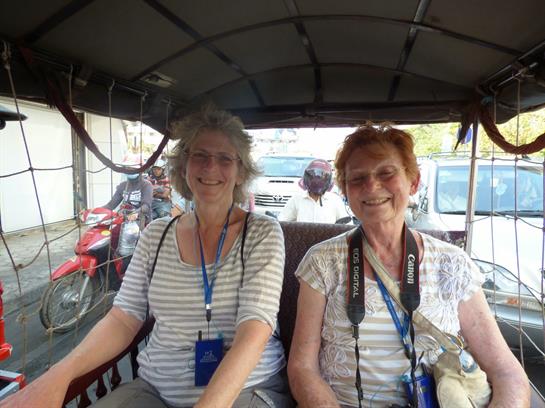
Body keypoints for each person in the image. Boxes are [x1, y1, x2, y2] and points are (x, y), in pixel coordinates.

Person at [3, 106, 291, 408]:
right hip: (156, 388)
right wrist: (58, 377)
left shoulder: (261, 231)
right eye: (199, 156)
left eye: (224, 159)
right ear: (183, 167)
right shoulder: (156, 235)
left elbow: (254, 330)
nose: (210, 168)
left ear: (241, 171)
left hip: (244, 388)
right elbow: (123, 318)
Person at [287, 123, 530, 407]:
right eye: (357, 178)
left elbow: (507, 373)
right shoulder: (321, 262)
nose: (372, 186)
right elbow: (302, 367)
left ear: (413, 182)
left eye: (386, 173)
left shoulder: (452, 264)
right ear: (345, 190)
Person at [278, 159, 348, 223]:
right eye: (313, 177)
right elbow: (282, 221)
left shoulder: (335, 200)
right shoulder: (296, 199)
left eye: (320, 178)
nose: (316, 181)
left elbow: (347, 227)